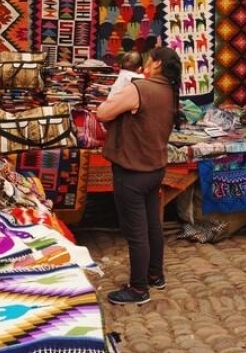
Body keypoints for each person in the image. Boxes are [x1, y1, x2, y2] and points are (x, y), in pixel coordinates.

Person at [95, 46, 182, 305]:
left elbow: (103, 113)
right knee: (152, 225)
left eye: (148, 59)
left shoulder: (140, 88)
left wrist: (117, 95)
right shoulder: (170, 90)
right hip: (154, 168)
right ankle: (155, 275)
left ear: (156, 64)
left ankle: (138, 288)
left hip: (132, 170)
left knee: (136, 232)